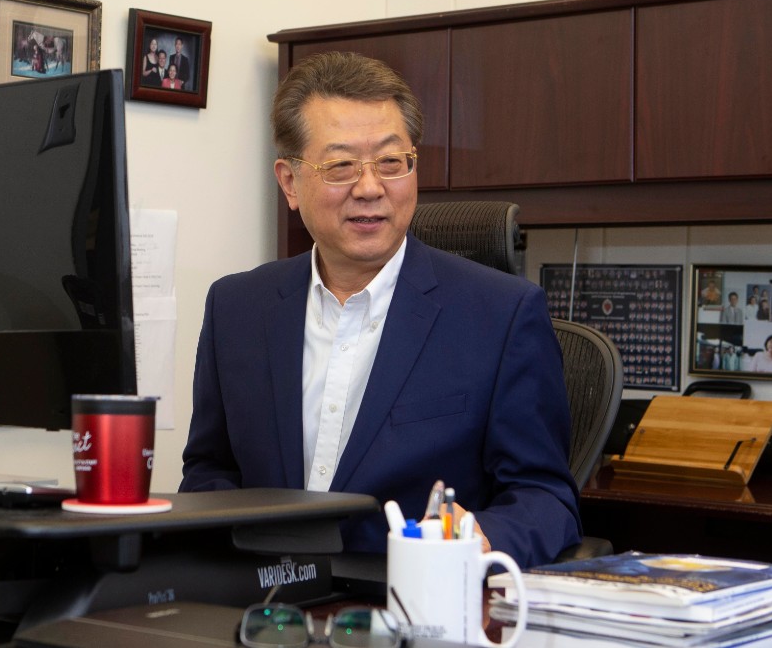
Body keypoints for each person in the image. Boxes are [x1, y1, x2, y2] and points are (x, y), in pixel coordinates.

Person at [180, 52, 581, 568]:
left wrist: (480, 538)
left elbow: (545, 499)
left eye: (391, 163)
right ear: (289, 183)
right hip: (261, 600)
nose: (370, 188)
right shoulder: (236, 308)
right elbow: (210, 472)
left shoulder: (503, 315)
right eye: (341, 165)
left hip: (407, 597)